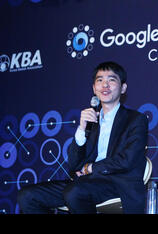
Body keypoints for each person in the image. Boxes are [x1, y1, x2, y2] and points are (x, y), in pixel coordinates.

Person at [17, 61, 149, 214]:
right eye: (99, 80)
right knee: (27, 196)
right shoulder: (91, 121)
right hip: (86, 183)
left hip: (119, 184)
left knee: (75, 192)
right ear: (94, 88)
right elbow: (73, 165)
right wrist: (81, 129)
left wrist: (90, 168)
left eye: (111, 80)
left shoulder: (135, 119)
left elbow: (127, 159)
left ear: (123, 88)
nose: (105, 85)